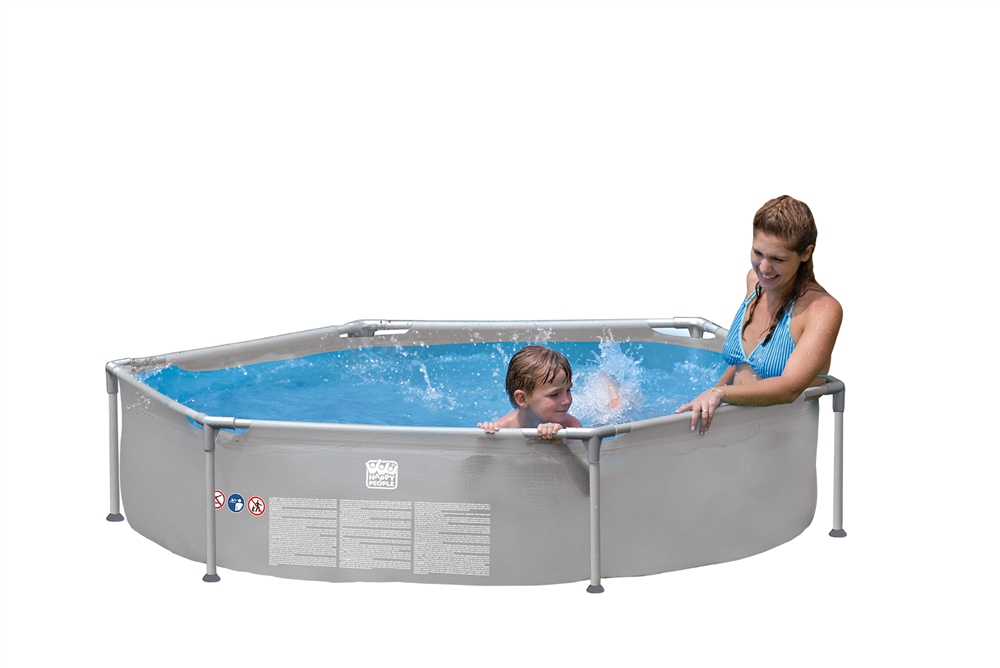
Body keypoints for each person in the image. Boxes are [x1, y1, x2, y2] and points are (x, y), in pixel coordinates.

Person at [676, 195, 843, 435]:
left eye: (777, 259)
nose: (763, 268)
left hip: (778, 442)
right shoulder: (754, 283)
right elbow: (742, 363)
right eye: (758, 252)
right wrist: (708, 397)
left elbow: (789, 388)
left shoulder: (822, 309)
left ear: (806, 253)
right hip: (731, 430)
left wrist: (720, 393)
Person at [478, 345, 583, 439]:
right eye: (554, 394)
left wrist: (560, 439)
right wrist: (489, 432)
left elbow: (582, 453)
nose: (566, 401)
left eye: (568, 390)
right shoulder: (505, 428)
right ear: (523, 399)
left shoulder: (571, 426)